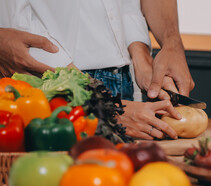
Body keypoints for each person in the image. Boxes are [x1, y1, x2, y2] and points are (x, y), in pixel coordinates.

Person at [0, 0, 194, 140]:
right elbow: (18, 20)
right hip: (60, 86)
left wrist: (142, 57)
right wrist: (97, 102)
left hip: (127, 78)